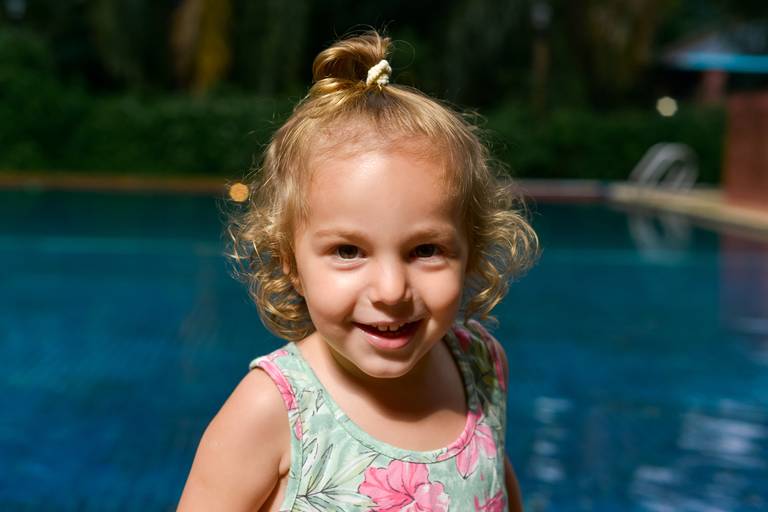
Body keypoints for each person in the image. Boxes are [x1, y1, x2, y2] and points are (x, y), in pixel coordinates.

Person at [178, 30, 539, 512]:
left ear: (472, 249)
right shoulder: (274, 411)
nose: (391, 290)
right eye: (348, 251)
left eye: (426, 249)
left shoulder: (482, 367)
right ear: (291, 263)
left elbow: (495, 483)